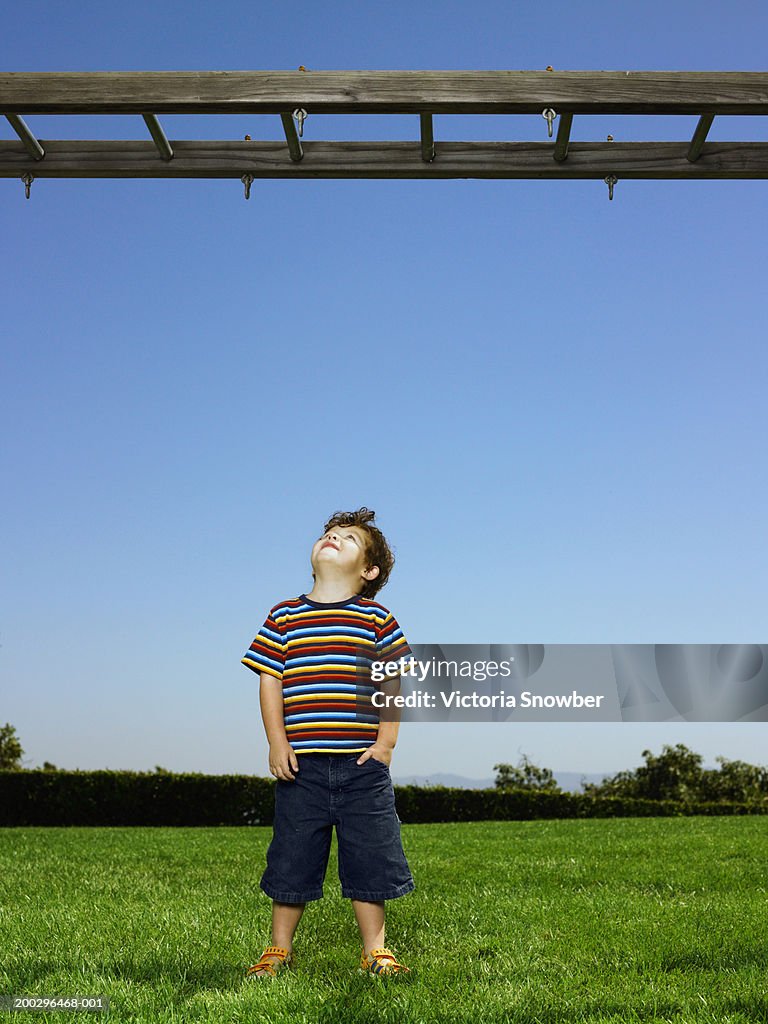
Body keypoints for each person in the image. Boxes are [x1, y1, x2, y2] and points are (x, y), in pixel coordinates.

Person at [241, 507, 415, 978]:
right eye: (329, 534)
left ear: (369, 571)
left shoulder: (376, 618)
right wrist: (277, 743)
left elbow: (392, 680)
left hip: (363, 767)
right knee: (292, 857)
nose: (332, 538)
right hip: (302, 768)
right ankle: (278, 949)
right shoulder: (285, 615)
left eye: (348, 538)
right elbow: (269, 681)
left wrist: (386, 743)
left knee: (370, 857)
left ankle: (375, 949)